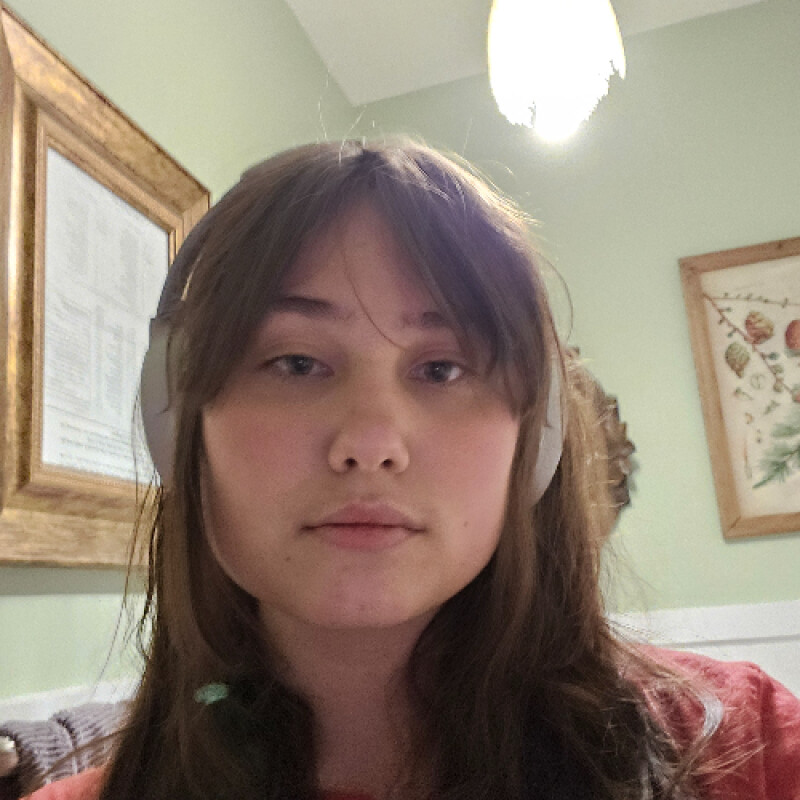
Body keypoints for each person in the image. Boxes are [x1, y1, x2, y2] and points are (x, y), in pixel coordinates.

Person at [27, 139, 800, 800]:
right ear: (178, 423)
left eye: (442, 368)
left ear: (534, 439)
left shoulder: (747, 748)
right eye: (295, 362)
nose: (371, 443)